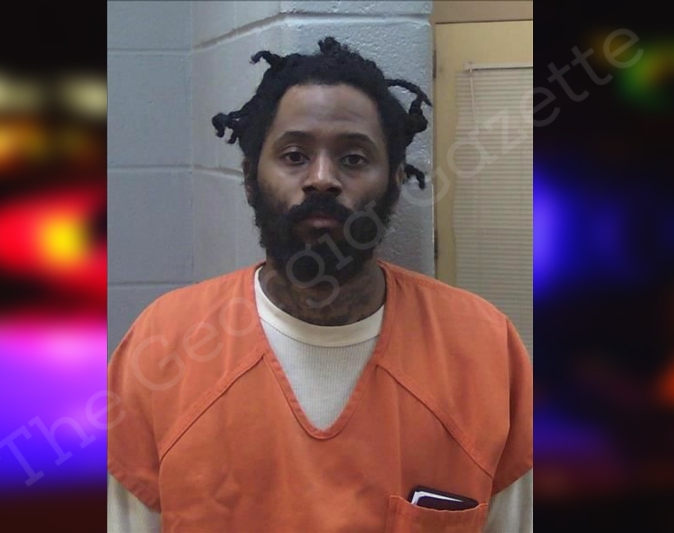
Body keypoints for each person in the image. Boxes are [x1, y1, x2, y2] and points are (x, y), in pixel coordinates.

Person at [108, 37, 532, 532]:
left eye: (353, 158)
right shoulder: (163, 344)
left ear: (396, 180)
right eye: (294, 155)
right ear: (250, 177)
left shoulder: (483, 347)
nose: (322, 179)